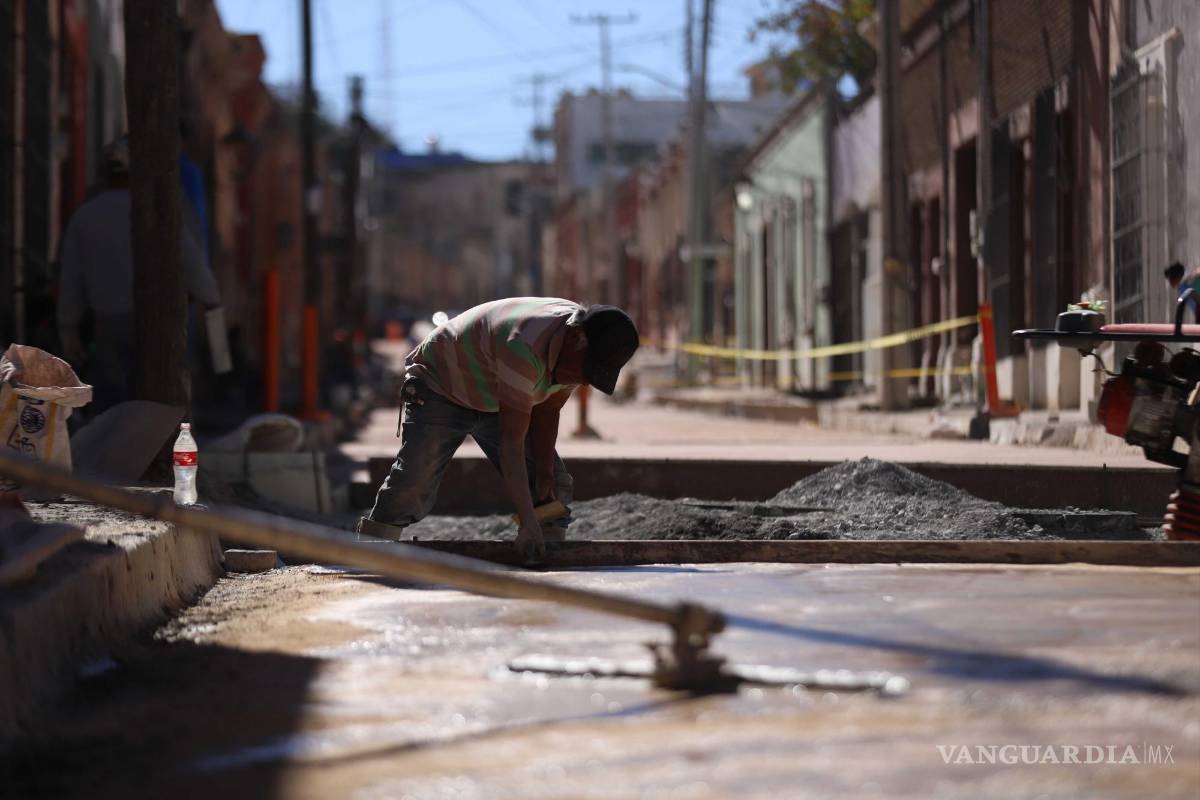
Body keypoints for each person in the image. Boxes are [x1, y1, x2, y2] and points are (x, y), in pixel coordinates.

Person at [357, 298, 640, 561]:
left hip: (497, 391)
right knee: (414, 480)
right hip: (442, 384)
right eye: (587, 370)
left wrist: (542, 475)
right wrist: (528, 521)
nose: (585, 382)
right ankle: (368, 556)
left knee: (552, 482)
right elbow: (511, 443)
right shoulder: (525, 346)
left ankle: (545, 558)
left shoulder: (576, 346)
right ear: (577, 339)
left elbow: (547, 409)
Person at [57, 136, 220, 413]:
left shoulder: (85, 216)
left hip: (108, 323)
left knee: (112, 401)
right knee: (155, 401)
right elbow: (192, 262)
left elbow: (70, 278)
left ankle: (115, 452)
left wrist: (67, 326)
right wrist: (212, 301)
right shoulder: (157, 211)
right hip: (158, 323)